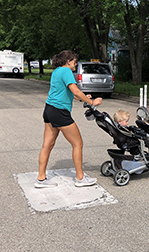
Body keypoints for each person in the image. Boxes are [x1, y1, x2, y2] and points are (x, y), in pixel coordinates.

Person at [35, 50, 103, 188]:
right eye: (75, 62)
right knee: (78, 143)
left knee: (47, 145)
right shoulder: (66, 72)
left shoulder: (57, 71)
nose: (75, 64)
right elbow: (75, 91)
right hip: (60, 112)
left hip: (49, 110)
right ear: (68, 61)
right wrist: (92, 102)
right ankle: (80, 178)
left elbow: (65, 92)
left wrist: (82, 98)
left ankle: (41, 179)